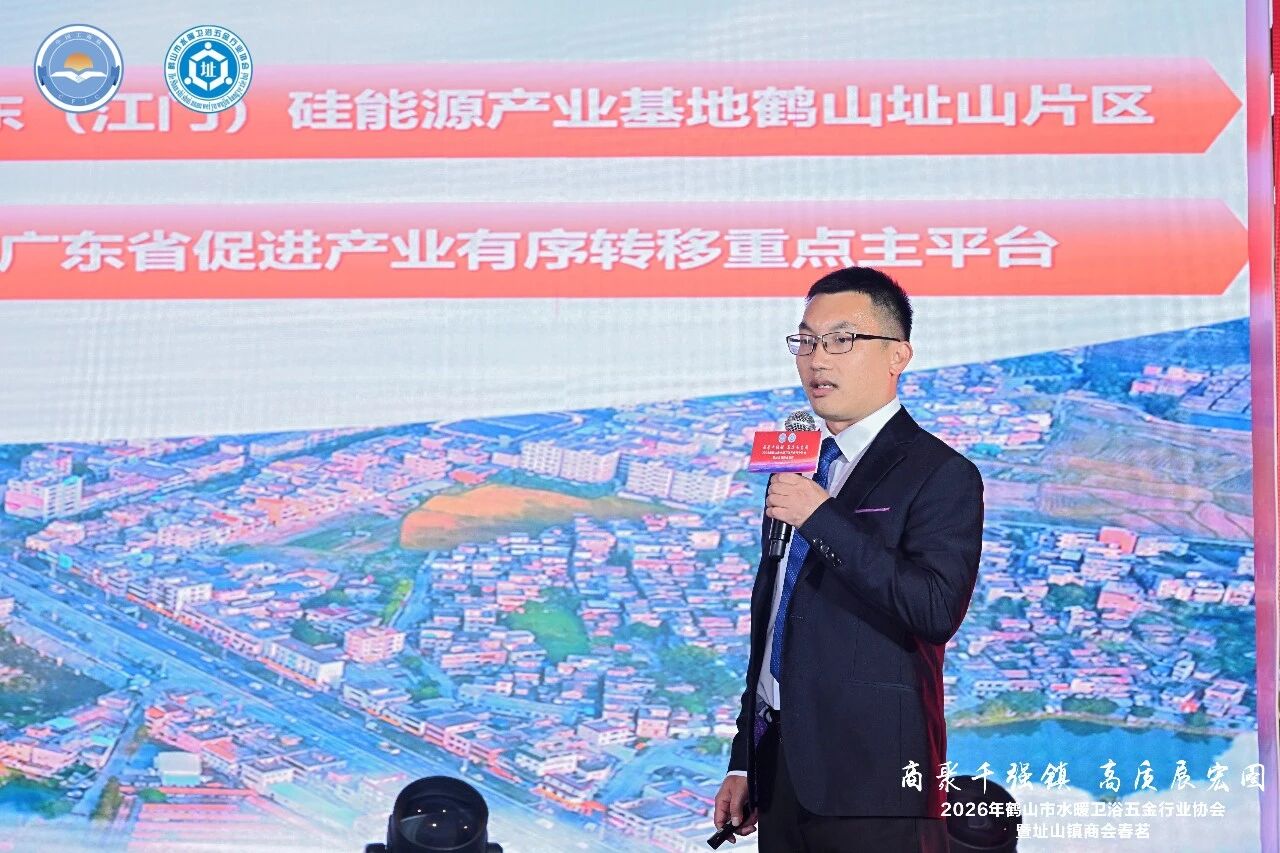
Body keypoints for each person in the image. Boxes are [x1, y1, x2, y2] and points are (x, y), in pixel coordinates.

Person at [712, 266, 984, 852]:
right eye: (806, 341)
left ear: (898, 355)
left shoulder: (940, 473)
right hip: (781, 770)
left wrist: (821, 517)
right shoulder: (801, 465)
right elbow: (776, 620)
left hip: (874, 780)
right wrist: (744, 759)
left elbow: (934, 609)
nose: (817, 359)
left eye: (841, 340)